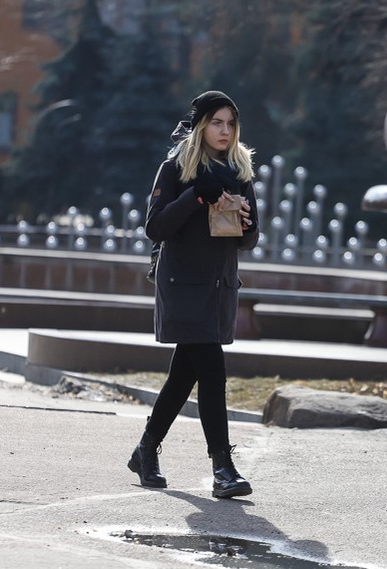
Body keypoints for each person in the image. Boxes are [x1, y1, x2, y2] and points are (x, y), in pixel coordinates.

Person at [128, 91, 259, 499]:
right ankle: (223, 467)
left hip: (219, 289)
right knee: (212, 371)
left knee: (184, 376)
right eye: (217, 122)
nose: (225, 131)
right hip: (183, 285)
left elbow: (248, 240)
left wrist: (246, 222)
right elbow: (155, 228)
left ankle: (145, 450)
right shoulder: (174, 168)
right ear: (201, 125)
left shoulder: (239, 171)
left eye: (231, 124)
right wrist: (195, 196)